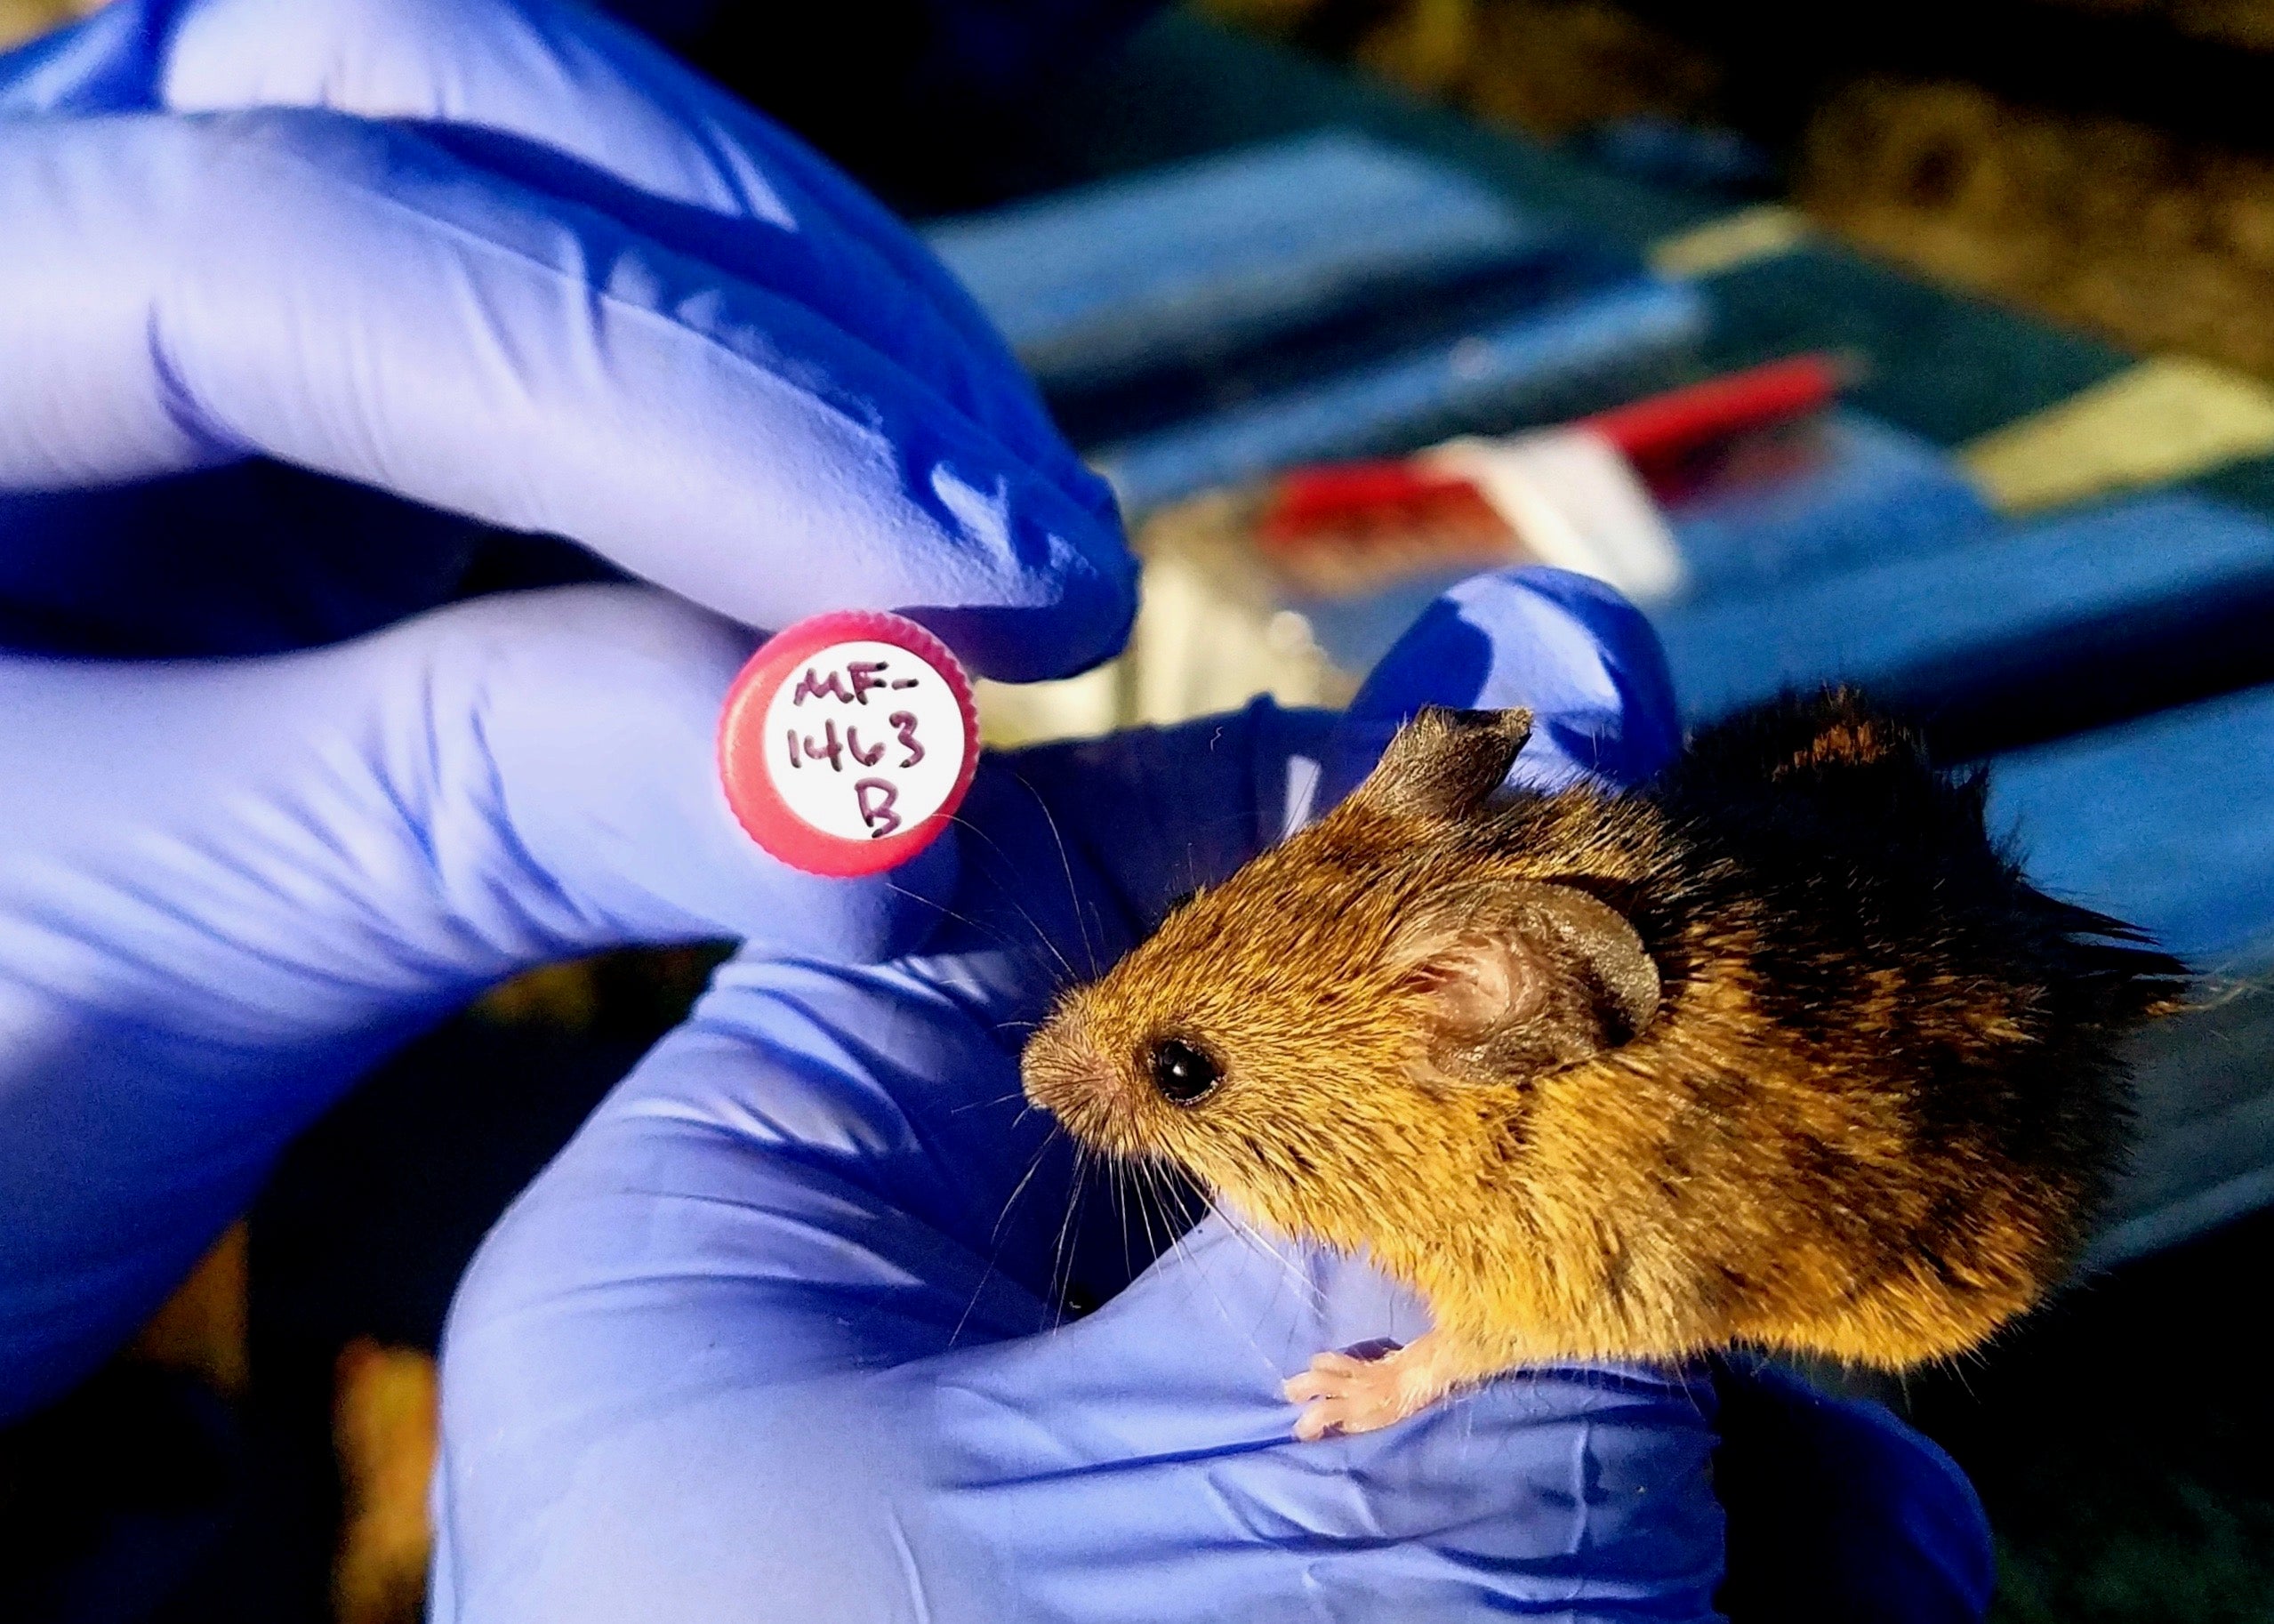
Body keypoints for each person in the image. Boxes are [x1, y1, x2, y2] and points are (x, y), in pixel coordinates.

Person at [0, 0, 1994, 1616]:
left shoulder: (1562, 1117)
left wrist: (1429, 1362)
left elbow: (1589, 1288)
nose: (1079, 1061)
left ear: (1500, 1011)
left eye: (1184, 1058)